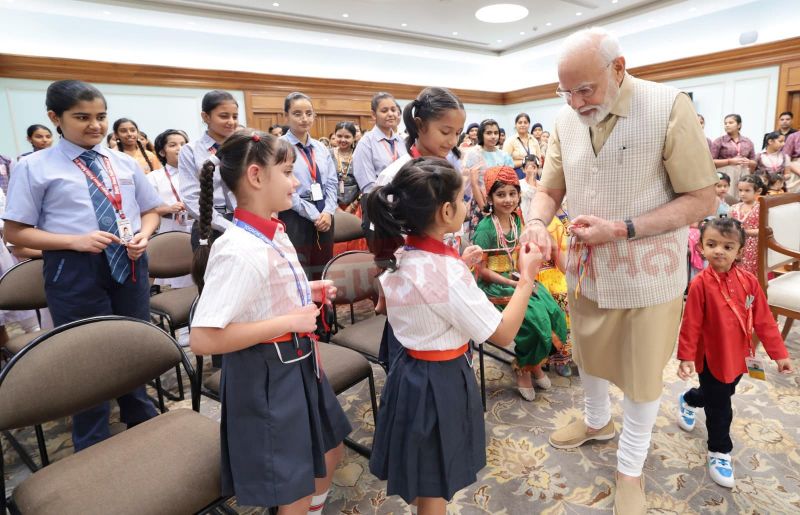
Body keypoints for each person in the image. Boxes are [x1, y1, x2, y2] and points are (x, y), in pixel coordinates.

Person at [523, 27, 718, 514]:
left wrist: (624, 229)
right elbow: (550, 189)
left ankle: (630, 467)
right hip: (586, 266)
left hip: (649, 273)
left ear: (619, 67)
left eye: (584, 89)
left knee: (640, 372)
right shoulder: (567, 119)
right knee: (587, 352)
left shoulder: (669, 107)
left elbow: (701, 199)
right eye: (564, 91)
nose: (575, 101)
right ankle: (595, 422)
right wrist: (535, 223)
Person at [367, 156, 543, 515]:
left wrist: (458, 268)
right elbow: (504, 332)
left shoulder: (404, 254)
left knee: (423, 462)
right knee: (436, 478)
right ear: (447, 211)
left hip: (408, 372)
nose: (468, 204)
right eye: (464, 198)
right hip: (439, 381)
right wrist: (527, 277)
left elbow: (388, 306)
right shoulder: (445, 272)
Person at [190, 130, 350, 512]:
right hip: (267, 375)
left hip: (296, 361)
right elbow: (203, 340)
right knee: (291, 484)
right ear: (257, 177)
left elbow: (262, 293)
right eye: (289, 171)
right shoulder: (238, 249)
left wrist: (303, 291)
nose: (297, 182)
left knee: (329, 451)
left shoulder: (271, 230)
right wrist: (287, 321)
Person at [3, 79, 161, 451]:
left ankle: (139, 413)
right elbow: (16, 232)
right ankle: (91, 438)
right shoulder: (35, 166)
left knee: (132, 342)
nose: (95, 125)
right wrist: (74, 241)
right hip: (74, 268)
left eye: (101, 116)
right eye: (82, 117)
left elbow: (151, 209)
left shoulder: (122, 161)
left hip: (129, 260)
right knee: (88, 355)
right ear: (54, 118)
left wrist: (144, 234)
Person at [677, 216, 792, 488]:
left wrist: (779, 354)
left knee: (723, 393)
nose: (719, 251)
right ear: (701, 247)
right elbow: (690, 323)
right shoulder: (699, 285)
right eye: (712, 244)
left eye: (728, 247)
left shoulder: (749, 282)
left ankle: (690, 399)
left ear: (739, 252)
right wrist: (685, 356)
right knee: (721, 407)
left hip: (739, 355)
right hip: (711, 358)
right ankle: (719, 450)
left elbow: (764, 319)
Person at [473, 166, 567, 400]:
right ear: (490, 198)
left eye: (512, 193)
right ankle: (524, 369)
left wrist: (524, 276)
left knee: (552, 311)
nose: (508, 200)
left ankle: (533, 362)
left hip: (517, 279)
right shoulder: (485, 228)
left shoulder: (518, 220)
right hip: (494, 286)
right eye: (501, 194)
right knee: (532, 320)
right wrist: (515, 282)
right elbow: (481, 270)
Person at [280, 92, 337, 280]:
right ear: (285, 116)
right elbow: (283, 187)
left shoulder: (321, 148)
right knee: (300, 272)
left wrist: (328, 212)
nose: (304, 119)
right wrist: (313, 214)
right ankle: (308, 309)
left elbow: (331, 182)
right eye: (297, 113)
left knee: (324, 268)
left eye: (309, 113)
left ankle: (324, 310)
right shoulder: (278, 147)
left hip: (325, 216)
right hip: (295, 216)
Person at [178, 89, 239, 251]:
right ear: (206, 117)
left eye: (235, 116)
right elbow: (191, 197)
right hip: (209, 225)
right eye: (224, 116)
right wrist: (227, 226)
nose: (231, 122)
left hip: (243, 224)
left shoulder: (243, 148)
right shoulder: (190, 151)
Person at [148, 129, 192, 289]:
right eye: (173, 145)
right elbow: (146, 210)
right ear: (162, 151)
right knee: (178, 273)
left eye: (183, 144)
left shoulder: (198, 173)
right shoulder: (154, 177)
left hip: (196, 226)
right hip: (171, 226)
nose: (180, 148)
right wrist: (168, 208)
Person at [463, 119, 514, 240]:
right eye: (489, 133)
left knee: (502, 239)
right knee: (483, 241)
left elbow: (509, 182)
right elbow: (473, 184)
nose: (493, 136)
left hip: (502, 201)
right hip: (481, 201)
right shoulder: (473, 154)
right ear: (482, 134)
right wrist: (483, 208)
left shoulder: (504, 155)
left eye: (496, 133)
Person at [710, 114, 756, 200]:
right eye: (725, 123)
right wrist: (730, 161)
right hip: (726, 174)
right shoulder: (719, 141)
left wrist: (749, 162)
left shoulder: (747, 141)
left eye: (730, 122)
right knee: (727, 198)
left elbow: (754, 162)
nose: (727, 125)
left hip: (743, 173)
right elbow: (711, 162)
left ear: (739, 125)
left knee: (743, 197)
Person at [729, 174, 766, 276]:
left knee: (752, 274)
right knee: (735, 273)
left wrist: (746, 232)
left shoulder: (761, 208)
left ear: (758, 191)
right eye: (740, 190)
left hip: (755, 248)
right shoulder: (733, 208)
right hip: (736, 246)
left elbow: (765, 230)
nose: (742, 194)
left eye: (747, 190)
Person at [503, 113, 541, 179]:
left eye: (525, 122)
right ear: (516, 125)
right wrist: (524, 162)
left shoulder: (534, 140)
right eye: (520, 123)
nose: (522, 125)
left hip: (534, 174)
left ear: (529, 125)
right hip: (517, 174)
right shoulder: (510, 141)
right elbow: (505, 163)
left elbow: (539, 160)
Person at [518, 155, 539, 222]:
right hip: (524, 219)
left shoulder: (541, 185)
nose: (531, 170)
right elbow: (530, 194)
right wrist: (530, 178)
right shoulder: (519, 184)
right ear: (523, 170)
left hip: (539, 218)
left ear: (537, 169)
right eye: (527, 167)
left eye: (534, 167)